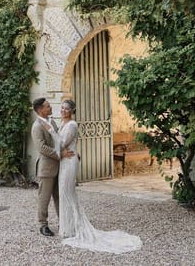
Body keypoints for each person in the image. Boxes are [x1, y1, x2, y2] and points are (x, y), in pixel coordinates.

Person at [42, 99, 142, 253]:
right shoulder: (62, 124)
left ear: (72, 111)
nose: (63, 110)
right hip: (64, 161)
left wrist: (50, 131)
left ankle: (76, 227)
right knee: (63, 194)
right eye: (62, 108)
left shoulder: (72, 125)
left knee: (68, 193)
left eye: (66, 109)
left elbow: (62, 144)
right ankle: (67, 228)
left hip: (69, 162)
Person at [31, 97, 73, 237]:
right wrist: (60, 154)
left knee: (58, 196)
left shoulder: (52, 122)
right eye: (48, 106)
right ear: (40, 110)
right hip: (46, 169)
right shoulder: (37, 126)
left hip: (60, 167)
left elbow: (59, 140)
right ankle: (43, 225)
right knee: (44, 198)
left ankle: (64, 222)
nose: (51, 108)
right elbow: (42, 147)